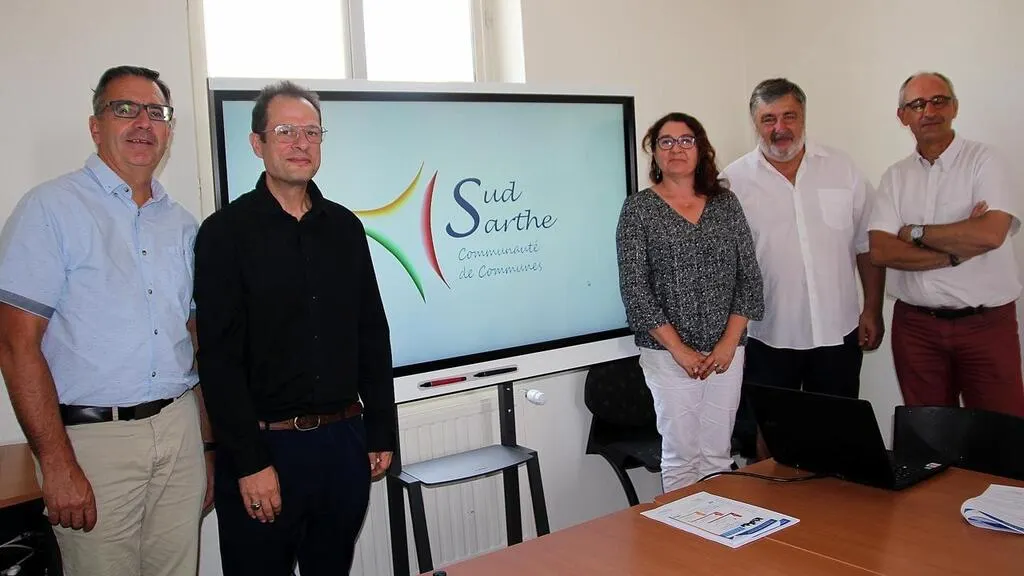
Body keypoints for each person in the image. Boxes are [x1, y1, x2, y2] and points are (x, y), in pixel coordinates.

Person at [0, 65, 213, 576]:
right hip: (92, 443)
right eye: (125, 109)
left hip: (179, 429)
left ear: (169, 129)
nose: (143, 123)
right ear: (96, 126)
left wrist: (206, 445)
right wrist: (56, 462)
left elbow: (194, 341)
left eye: (156, 112)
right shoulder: (50, 209)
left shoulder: (183, 224)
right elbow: (15, 345)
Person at [193, 80, 397, 575]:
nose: (300, 143)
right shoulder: (224, 234)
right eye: (285, 131)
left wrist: (380, 431)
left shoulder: (345, 228)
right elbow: (218, 360)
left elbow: (372, 334)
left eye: (311, 132)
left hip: (342, 443)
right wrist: (249, 461)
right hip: (266, 449)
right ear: (257, 143)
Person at [722, 78, 886, 458]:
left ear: (804, 116)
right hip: (766, 333)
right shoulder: (732, 183)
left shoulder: (843, 169)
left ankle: (833, 496)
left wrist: (872, 308)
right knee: (769, 435)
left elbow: (866, 245)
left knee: (838, 432)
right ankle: (772, 495)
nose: (780, 128)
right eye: (769, 119)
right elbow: (723, 264)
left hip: (837, 331)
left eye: (789, 116)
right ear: (755, 123)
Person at [616, 112, 764, 492]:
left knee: (717, 454)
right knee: (682, 456)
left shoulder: (725, 203)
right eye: (666, 141)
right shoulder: (638, 210)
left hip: (725, 353)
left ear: (701, 149)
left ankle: (719, 526)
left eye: (686, 140)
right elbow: (635, 289)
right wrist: (680, 350)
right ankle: (681, 530)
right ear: (655, 152)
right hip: (667, 355)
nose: (676, 149)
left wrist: (729, 342)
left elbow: (749, 278)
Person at [868, 72, 1024, 416]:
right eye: (917, 104)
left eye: (939, 101)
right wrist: (955, 252)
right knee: (929, 434)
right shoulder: (895, 177)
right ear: (902, 116)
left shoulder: (986, 161)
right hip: (917, 328)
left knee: (1002, 430)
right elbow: (881, 250)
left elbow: (990, 234)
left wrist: (914, 232)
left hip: (985, 325)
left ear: (954, 107)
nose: (929, 111)